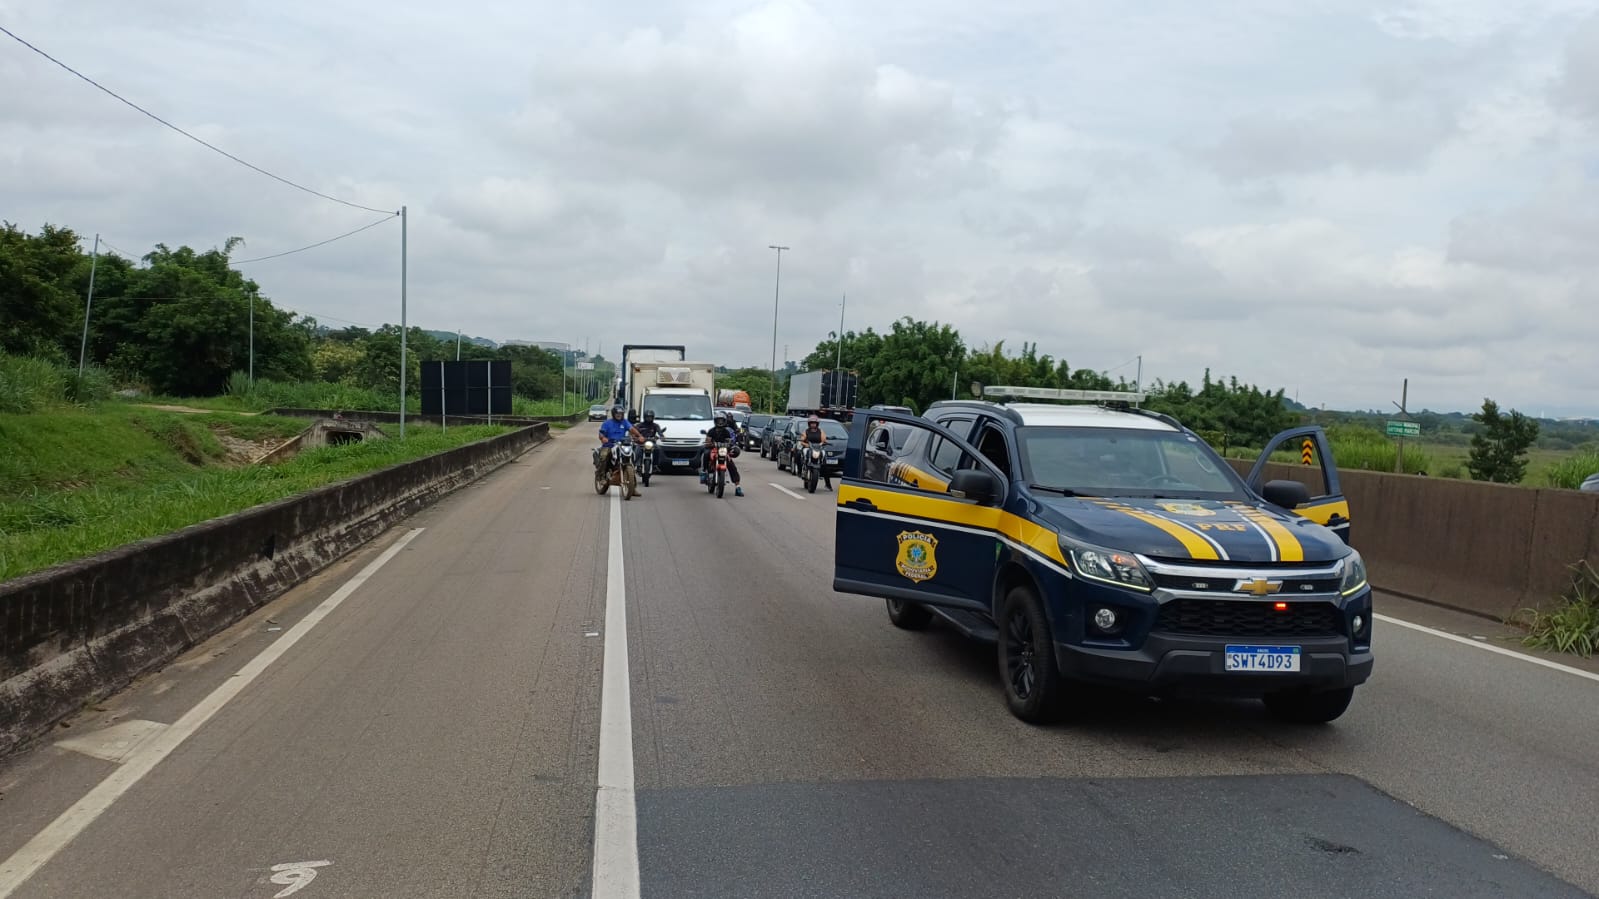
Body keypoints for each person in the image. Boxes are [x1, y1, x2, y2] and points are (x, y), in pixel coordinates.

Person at [596, 405, 644, 496]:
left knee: (631, 460)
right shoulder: (607, 423)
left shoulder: (624, 422)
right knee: (604, 456)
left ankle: (632, 488)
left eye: (621, 414)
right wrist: (603, 438)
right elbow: (601, 433)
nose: (619, 415)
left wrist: (639, 436)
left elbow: (632, 429)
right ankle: (601, 476)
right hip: (609, 445)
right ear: (613, 414)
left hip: (621, 445)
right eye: (617, 413)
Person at [700, 411, 743, 496]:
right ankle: (704, 472)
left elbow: (730, 440)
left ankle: (738, 487)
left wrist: (731, 445)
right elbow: (707, 440)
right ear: (715, 421)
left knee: (731, 465)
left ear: (725, 421)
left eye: (722, 420)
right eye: (718, 420)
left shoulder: (726, 431)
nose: (720, 422)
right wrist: (710, 443)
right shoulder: (711, 431)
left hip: (723, 450)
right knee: (706, 453)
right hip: (714, 449)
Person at [799, 414, 834, 490]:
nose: (813, 424)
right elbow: (802, 440)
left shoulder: (820, 431)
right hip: (808, 447)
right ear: (809, 424)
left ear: (817, 424)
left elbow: (824, 439)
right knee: (801, 453)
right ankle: (800, 469)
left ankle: (828, 484)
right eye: (811, 423)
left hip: (818, 448)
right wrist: (806, 444)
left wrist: (823, 443)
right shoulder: (806, 431)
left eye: (814, 423)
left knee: (825, 461)